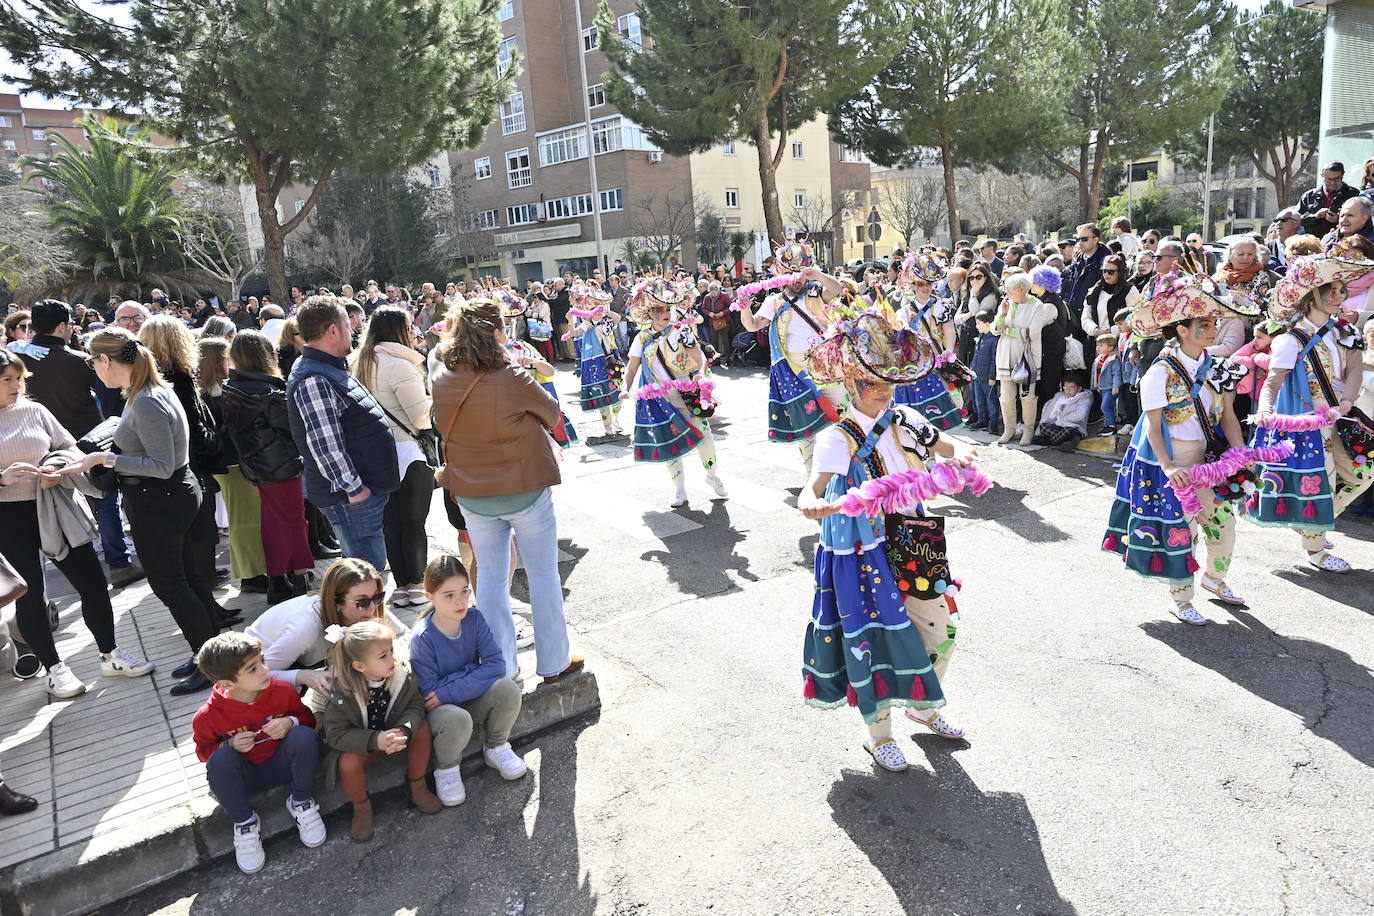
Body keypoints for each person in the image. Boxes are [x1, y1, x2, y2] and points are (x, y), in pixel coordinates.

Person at [798, 301, 975, 772]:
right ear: (852, 383)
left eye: (889, 383)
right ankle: (879, 736)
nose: (884, 392)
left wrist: (963, 458)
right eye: (874, 384)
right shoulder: (838, 437)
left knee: (944, 630)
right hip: (863, 551)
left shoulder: (907, 420)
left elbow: (952, 445)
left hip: (915, 542)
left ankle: (924, 705)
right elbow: (813, 486)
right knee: (872, 640)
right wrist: (810, 501)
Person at [59, 329, 219, 694]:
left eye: (92, 362)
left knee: (172, 584)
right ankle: (210, 656)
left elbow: (161, 464)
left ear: (105, 361)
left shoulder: (146, 397)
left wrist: (108, 458)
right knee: (189, 579)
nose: (93, 370)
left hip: (160, 499)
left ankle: (209, 661)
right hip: (169, 495)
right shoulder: (148, 391)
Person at [432, 299, 583, 685]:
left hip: (472, 495)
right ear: (497, 333)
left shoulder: (443, 379)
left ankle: (504, 668)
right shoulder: (513, 377)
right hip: (524, 489)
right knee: (543, 574)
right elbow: (552, 414)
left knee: (492, 583)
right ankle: (554, 662)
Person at [1103, 274, 1257, 625]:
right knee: (1181, 530)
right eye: (1203, 323)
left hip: (1211, 458)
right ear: (1181, 329)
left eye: (1214, 322)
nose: (1212, 328)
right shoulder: (1158, 374)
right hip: (1173, 461)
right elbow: (1154, 428)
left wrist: (1241, 455)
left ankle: (1215, 579)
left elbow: (1229, 416)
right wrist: (1169, 466)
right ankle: (1182, 599)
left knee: (1222, 524)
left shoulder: (1220, 368)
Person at [0, 349, 153, 698]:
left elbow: (69, 447)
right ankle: (55, 669)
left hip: (53, 505)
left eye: (19, 378)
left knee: (93, 584)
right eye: (7, 379)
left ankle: (110, 654)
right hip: (8, 518)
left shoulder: (35, 410)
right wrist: (2, 479)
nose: (16, 385)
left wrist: (57, 469)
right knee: (31, 596)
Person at [1252, 255, 1374, 572]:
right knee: (1322, 482)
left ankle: (1309, 523)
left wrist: (1348, 400)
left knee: (1362, 475)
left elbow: (1357, 370)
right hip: (1307, 426)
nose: (1338, 297)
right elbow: (1273, 382)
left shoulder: (1344, 331)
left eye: (1340, 290)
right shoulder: (1290, 340)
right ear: (1311, 298)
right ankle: (1316, 550)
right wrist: (1265, 409)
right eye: (1330, 291)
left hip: (1341, 420)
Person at [14, 300, 142, 586]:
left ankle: (75, 566)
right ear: (62, 327)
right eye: (70, 322)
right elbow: (110, 396)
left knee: (58, 506)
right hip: (88, 441)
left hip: (42, 448)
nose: (72, 327)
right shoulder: (76, 360)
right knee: (104, 499)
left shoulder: (16, 360)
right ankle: (118, 562)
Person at [192, 632, 326, 874]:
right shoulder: (208, 716)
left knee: (303, 736)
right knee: (220, 760)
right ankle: (245, 823)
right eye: (253, 669)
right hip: (247, 777)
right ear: (227, 684)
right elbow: (203, 753)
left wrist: (290, 722)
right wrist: (229, 745)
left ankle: (301, 802)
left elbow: (308, 720)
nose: (265, 670)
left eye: (263, 661)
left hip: (282, 765)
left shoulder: (282, 691)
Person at [285, 296, 400, 573]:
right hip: (350, 499)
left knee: (366, 577)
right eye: (348, 326)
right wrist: (355, 489)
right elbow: (326, 446)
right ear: (332, 330)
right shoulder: (315, 377)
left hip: (355, 496)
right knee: (363, 580)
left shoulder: (327, 368)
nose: (354, 331)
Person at [137, 316, 238, 628]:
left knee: (197, 544)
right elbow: (195, 427)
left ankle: (210, 609)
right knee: (196, 545)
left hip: (181, 470)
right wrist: (211, 445)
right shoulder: (176, 379)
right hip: (187, 469)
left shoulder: (162, 379)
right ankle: (208, 612)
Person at [409, 554, 526, 808]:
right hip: (443, 713)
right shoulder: (423, 638)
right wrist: (474, 672)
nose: (460, 601)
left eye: (464, 591)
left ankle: (496, 747)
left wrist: (453, 684)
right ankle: (447, 769)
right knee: (457, 718)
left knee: (507, 688)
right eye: (448, 595)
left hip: (463, 699)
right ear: (430, 597)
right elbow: (430, 693)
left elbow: (497, 665)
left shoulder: (474, 619)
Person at [320, 619, 440, 842]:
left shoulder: (401, 675)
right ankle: (361, 808)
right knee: (348, 763)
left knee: (421, 730)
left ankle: (417, 786)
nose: (392, 658)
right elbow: (335, 734)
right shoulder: (343, 692)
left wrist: (404, 730)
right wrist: (376, 740)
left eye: (391, 650)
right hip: (363, 742)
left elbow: (415, 705)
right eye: (383, 656)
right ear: (360, 666)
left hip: (394, 735)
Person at [349, 306, 433, 608]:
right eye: (410, 326)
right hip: (408, 451)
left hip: (374, 454)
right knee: (413, 522)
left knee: (391, 521)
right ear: (398, 331)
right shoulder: (398, 364)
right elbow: (421, 417)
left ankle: (400, 585)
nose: (414, 332)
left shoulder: (359, 362)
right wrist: (435, 401)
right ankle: (416, 583)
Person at [738, 239, 845, 472]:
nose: (796, 280)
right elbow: (753, 326)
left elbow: (837, 290)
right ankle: (811, 475)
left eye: (800, 273)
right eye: (790, 273)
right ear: (780, 274)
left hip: (827, 366)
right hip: (795, 370)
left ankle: (847, 465)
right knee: (806, 424)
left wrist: (818, 275)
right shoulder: (773, 301)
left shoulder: (816, 291)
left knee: (846, 414)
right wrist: (744, 306)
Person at [222, 331, 314, 604]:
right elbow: (295, 429)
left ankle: (279, 579)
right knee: (295, 523)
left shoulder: (232, 389)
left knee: (274, 523)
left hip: (255, 466)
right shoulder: (269, 392)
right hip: (281, 466)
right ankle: (298, 579)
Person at [622, 279, 728, 507]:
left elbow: (699, 355)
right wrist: (625, 389)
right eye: (659, 309)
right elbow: (631, 368)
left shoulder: (682, 330)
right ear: (649, 313)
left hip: (688, 392)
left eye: (667, 308)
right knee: (671, 442)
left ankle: (712, 476)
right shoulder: (641, 338)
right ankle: (679, 489)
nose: (665, 313)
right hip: (660, 397)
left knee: (704, 435)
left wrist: (700, 373)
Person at [246, 557, 408, 704]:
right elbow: (255, 675)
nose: (373, 607)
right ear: (336, 602)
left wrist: (393, 656)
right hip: (252, 667)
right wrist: (303, 676)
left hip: (307, 659)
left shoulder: (369, 608)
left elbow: (403, 636)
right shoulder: (306, 627)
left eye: (378, 597)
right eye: (362, 601)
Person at [891, 255, 964, 431]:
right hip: (917, 366)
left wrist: (948, 351)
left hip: (939, 361)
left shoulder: (941, 305)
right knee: (919, 410)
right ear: (912, 286)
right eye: (920, 284)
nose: (925, 287)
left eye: (928, 283)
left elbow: (949, 330)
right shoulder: (903, 312)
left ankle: (940, 448)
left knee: (946, 403)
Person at [992, 272, 1055, 447]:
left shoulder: (1037, 306)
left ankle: (1028, 429)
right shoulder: (1006, 304)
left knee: (1027, 396)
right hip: (1006, 355)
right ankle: (1009, 429)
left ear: (1019, 290)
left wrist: (1011, 331)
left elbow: (1032, 332)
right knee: (1006, 397)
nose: (1006, 293)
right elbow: (995, 329)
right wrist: (1003, 315)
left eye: (1009, 290)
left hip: (1027, 357)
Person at [567, 284, 626, 440]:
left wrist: (605, 308)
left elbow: (618, 317)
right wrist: (570, 320)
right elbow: (574, 333)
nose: (598, 308)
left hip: (613, 359)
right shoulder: (587, 324)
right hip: (597, 364)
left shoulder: (608, 321)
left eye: (601, 305)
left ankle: (616, 419)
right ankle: (608, 427)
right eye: (595, 305)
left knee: (619, 391)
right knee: (603, 394)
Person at [1064, 224, 1108, 344]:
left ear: (1096, 239)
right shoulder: (1078, 258)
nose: (1080, 243)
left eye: (1084, 239)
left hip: (1095, 319)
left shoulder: (1106, 261)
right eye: (1078, 239)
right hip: (1075, 316)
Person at [1082, 254, 1140, 339]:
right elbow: (1086, 317)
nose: (1106, 274)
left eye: (1111, 272)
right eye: (1104, 271)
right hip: (1097, 343)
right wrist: (1096, 331)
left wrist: (1111, 332)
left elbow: (1134, 317)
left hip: (1121, 340)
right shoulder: (1094, 291)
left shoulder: (1129, 290)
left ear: (1120, 272)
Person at [1298, 162, 1360, 239]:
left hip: (1342, 243)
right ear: (1322, 176)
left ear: (1343, 175)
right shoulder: (1309, 195)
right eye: (1329, 179)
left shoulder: (1353, 194)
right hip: (1312, 244)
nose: (1332, 183)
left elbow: (1362, 221)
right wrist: (1315, 217)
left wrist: (1340, 220)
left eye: (1337, 179)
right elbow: (1295, 220)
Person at [1033, 373, 1094, 447]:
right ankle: (1065, 441)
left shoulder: (1084, 399)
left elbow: (1080, 415)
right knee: (1043, 426)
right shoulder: (1059, 396)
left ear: (1079, 388)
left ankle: (1050, 442)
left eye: (1071, 388)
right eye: (1066, 388)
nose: (1068, 391)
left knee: (1068, 431)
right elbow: (1048, 409)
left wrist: (1063, 420)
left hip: (1073, 426)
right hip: (1058, 426)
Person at [967, 310, 1001, 434]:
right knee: (979, 401)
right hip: (977, 375)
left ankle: (993, 425)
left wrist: (992, 376)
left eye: (978, 323)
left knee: (991, 401)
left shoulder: (994, 339)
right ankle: (982, 421)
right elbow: (976, 357)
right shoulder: (981, 337)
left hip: (987, 377)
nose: (976, 326)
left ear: (987, 324)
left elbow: (994, 360)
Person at [1091, 334, 1122, 434]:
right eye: (1097, 345)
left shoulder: (1113, 359)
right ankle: (1108, 425)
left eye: (1101, 345)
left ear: (1110, 348)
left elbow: (1117, 373)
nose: (1098, 348)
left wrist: (1116, 386)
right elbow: (1097, 374)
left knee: (1105, 406)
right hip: (1103, 387)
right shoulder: (1099, 359)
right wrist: (1097, 386)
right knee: (1109, 406)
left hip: (1110, 387)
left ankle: (1111, 426)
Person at [699, 280, 733, 366]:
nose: (713, 294)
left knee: (725, 340)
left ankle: (728, 359)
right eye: (712, 293)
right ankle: (716, 359)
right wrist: (709, 313)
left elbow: (731, 307)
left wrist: (722, 313)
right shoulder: (707, 297)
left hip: (723, 321)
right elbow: (703, 308)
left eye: (715, 292)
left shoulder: (724, 296)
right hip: (712, 321)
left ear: (718, 291)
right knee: (714, 341)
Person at [1267, 207, 1302, 275]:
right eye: (1276, 220)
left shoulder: (1307, 244)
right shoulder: (1268, 247)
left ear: (1296, 224)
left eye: (1284, 220)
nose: (1278, 223)